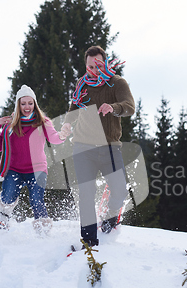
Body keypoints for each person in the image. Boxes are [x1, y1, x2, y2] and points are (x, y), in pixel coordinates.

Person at [64, 45, 135, 249]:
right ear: (85, 66)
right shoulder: (82, 83)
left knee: (120, 190)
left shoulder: (117, 83)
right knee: (85, 192)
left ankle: (110, 219)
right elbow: (74, 107)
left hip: (109, 146)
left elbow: (129, 106)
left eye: (98, 66)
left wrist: (113, 108)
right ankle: (88, 241)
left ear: (105, 63)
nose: (94, 71)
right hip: (82, 146)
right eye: (89, 67)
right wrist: (68, 123)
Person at [0, 84, 71, 233]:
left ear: (34, 104)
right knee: (7, 196)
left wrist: (62, 135)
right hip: (14, 169)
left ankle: (43, 232)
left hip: (37, 169)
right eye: (23, 103)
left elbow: (54, 137)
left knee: (36, 200)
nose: (27, 106)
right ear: (18, 105)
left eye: (30, 103)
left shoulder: (43, 122)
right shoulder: (11, 125)